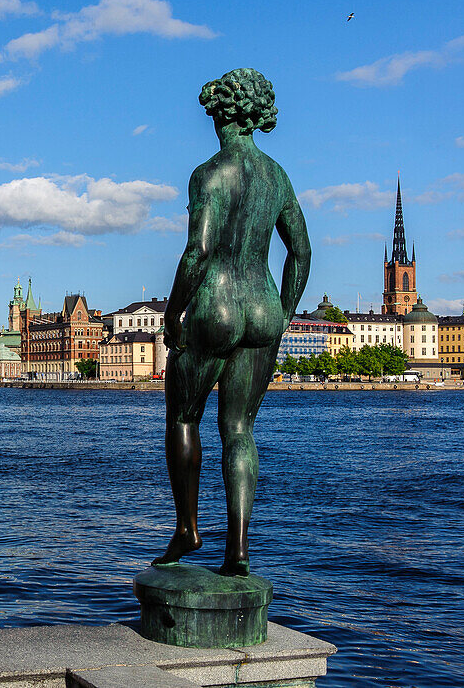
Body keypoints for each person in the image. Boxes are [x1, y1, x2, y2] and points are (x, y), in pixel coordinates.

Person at [153, 68, 310, 577]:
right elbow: (301, 253)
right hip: (263, 306)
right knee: (239, 430)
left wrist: (171, 313)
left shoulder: (208, 174)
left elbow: (197, 253)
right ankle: (238, 549)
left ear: (222, 114)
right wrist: (285, 310)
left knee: (183, 419)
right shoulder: (277, 176)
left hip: (214, 308)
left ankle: (187, 528)